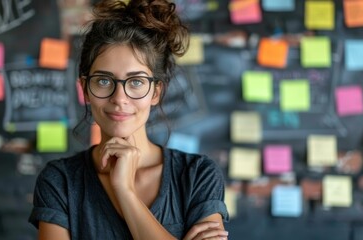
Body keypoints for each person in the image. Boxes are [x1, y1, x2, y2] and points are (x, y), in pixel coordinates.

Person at [28, 0, 229, 239]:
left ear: (155, 92)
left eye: (136, 82)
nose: (119, 98)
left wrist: (125, 191)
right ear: (84, 89)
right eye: (103, 81)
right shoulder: (59, 181)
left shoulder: (197, 175)